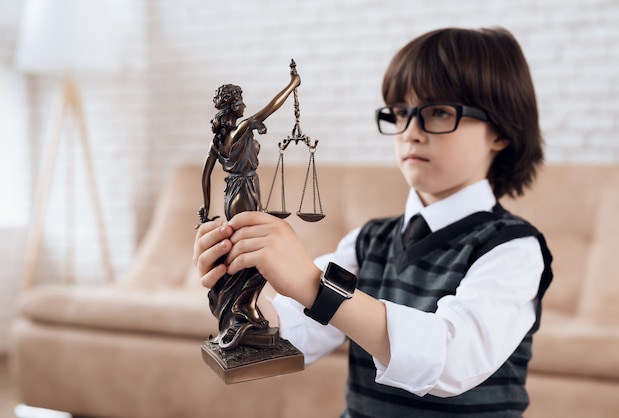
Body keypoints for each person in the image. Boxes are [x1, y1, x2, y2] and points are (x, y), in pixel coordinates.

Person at [193, 27, 553, 417]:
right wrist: (238, 286)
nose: (410, 133)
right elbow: (297, 331)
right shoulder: (369, 241)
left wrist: (314, 285)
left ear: (499, 131)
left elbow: (451, 358)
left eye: (438, 113)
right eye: (400, 113)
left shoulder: (512, 249)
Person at [199, 65, 300, 349]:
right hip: (245, 190)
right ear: (233, 107)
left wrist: (206, 210)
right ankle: (244, 308)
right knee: (254, 254)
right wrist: (292, 85)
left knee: (245, 250)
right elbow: (270, 108)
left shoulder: (217, 140)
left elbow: (205, 175)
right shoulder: (243, 128)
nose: (245, 104)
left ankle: (239, 307)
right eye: (241, 100)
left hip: (232, 193)